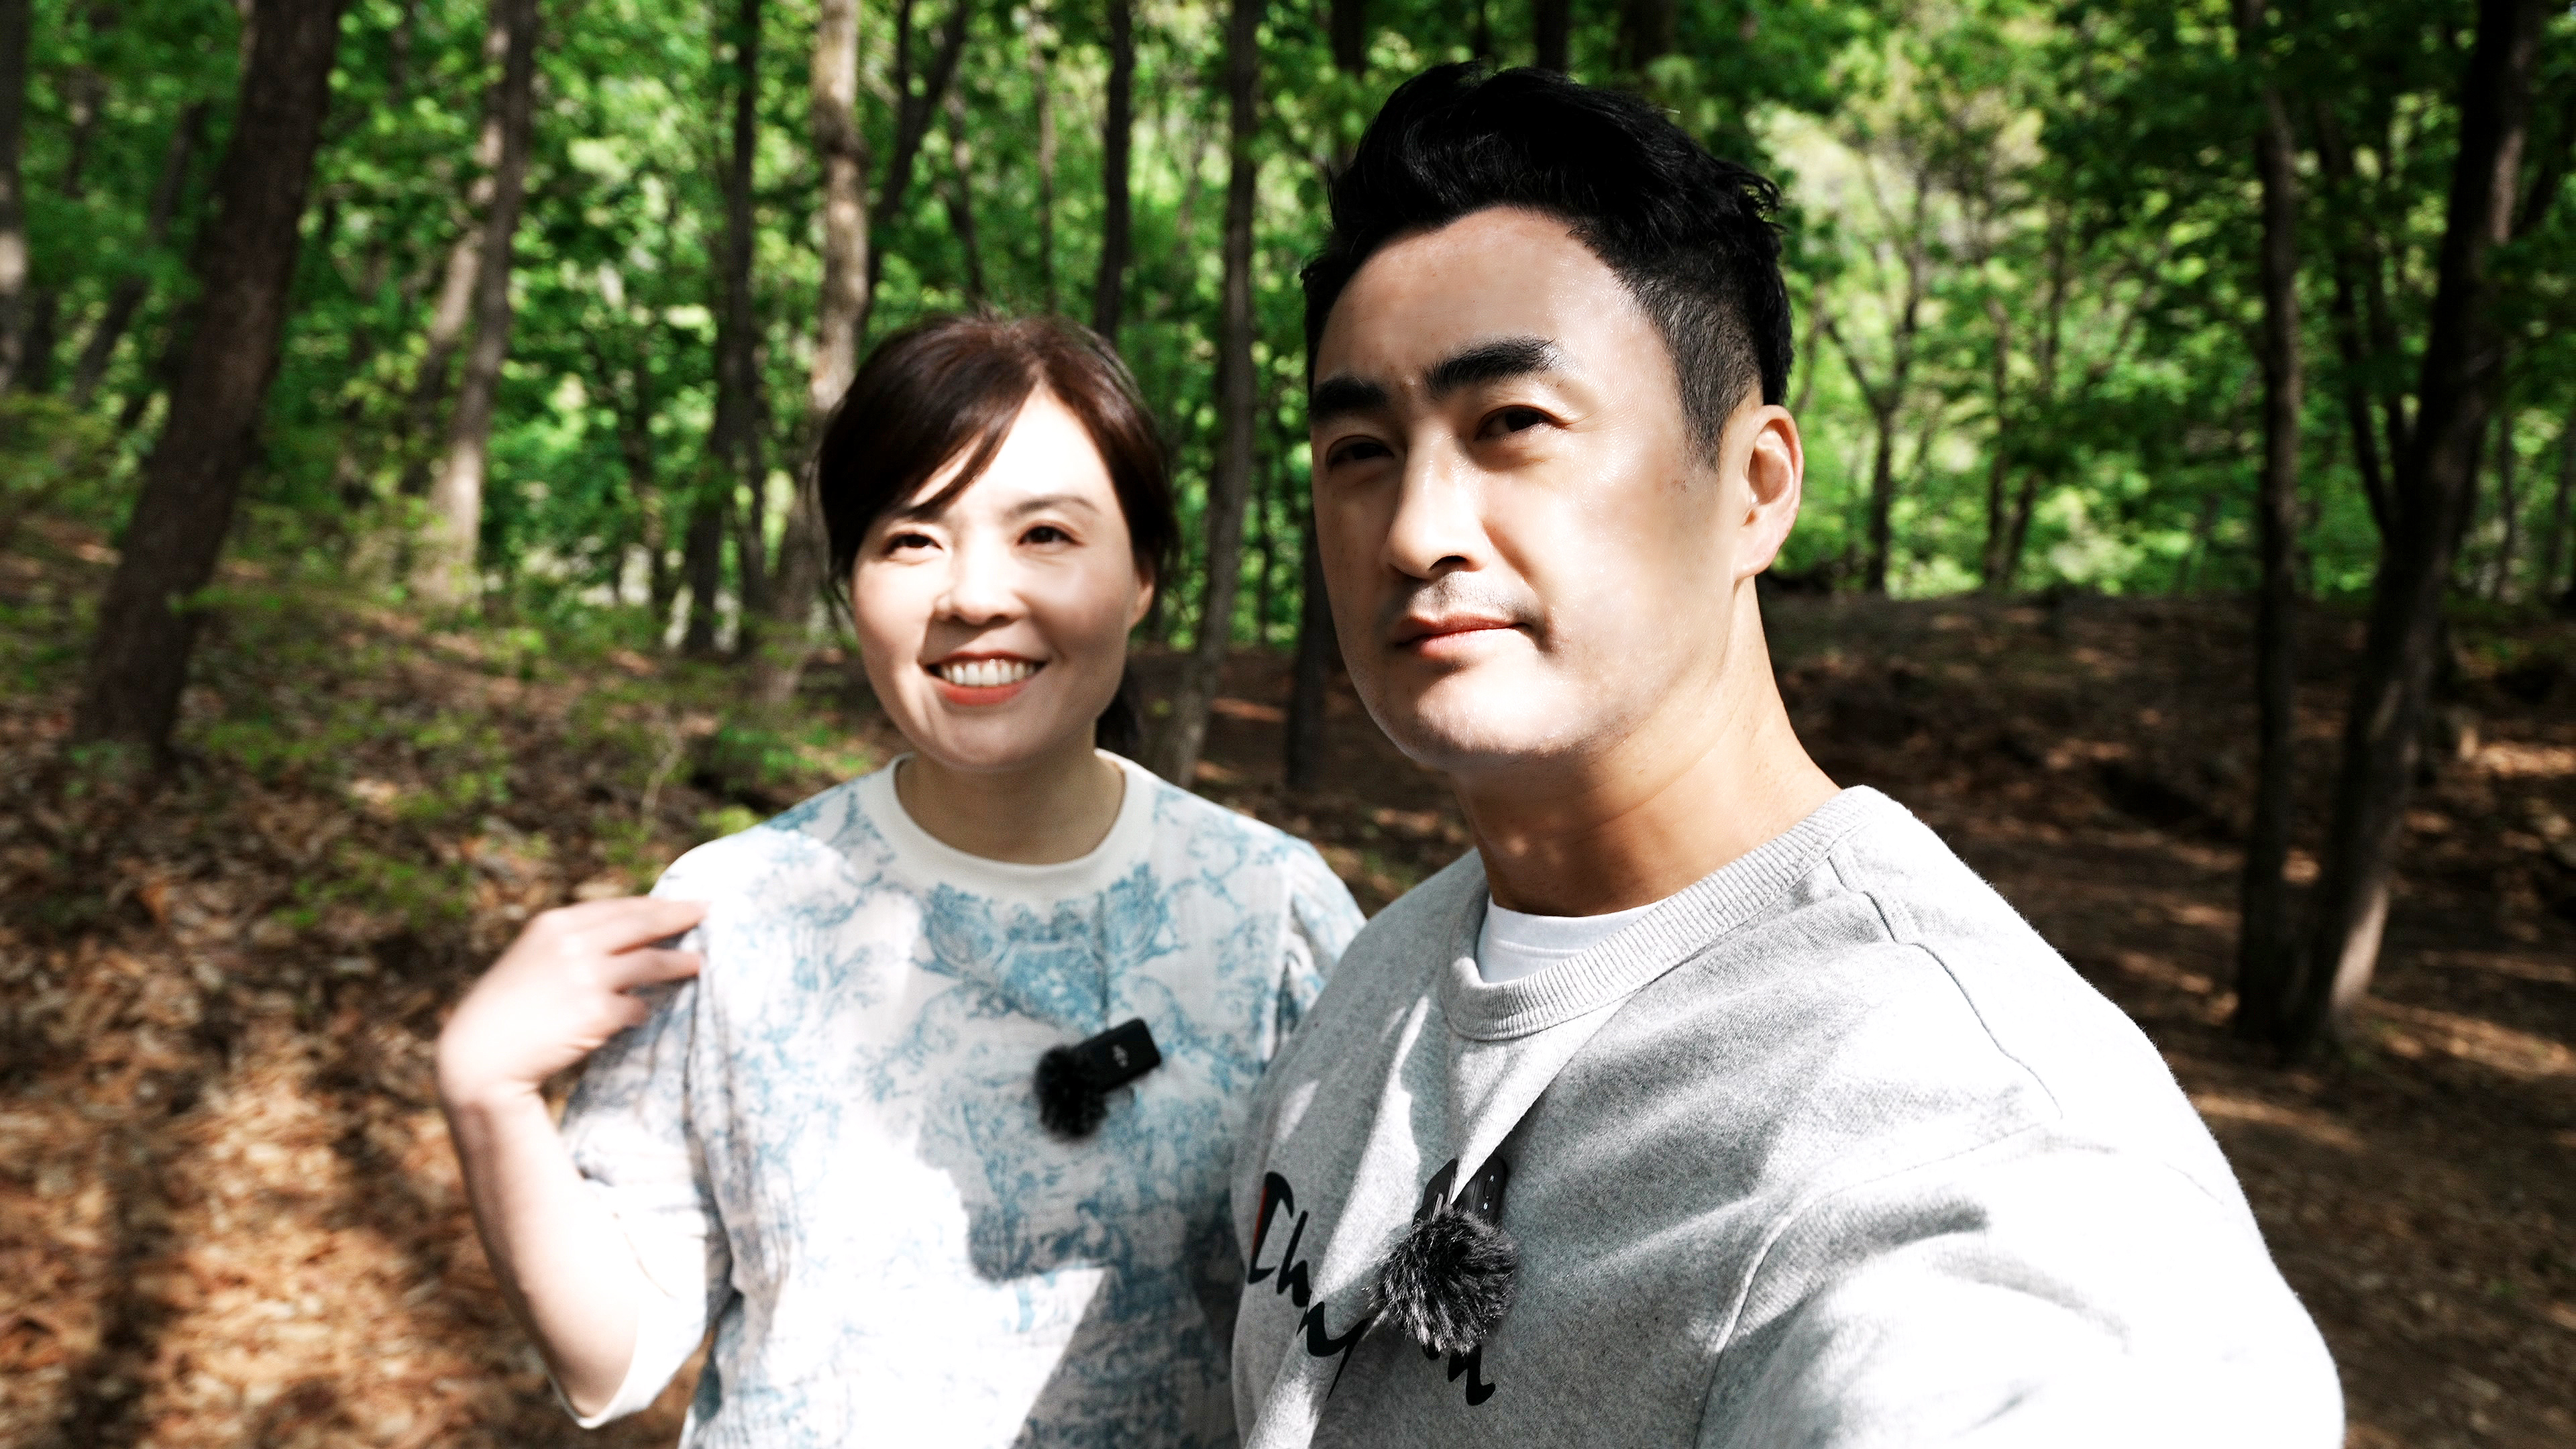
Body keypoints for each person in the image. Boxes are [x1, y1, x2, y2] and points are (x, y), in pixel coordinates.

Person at [1226, 64, 2342, 1448]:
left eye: (1512, 424)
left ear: (1755, 488)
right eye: (1359, 449)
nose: (1414, 529)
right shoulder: (1379, 980)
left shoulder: (1949, 1114)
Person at [434, 313, 1364, 1446]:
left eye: (1046, 535)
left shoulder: (1267, 915)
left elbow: (1359, 1334)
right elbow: (611, 1359)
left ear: (1142, 576)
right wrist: (487, 1093)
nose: (973, 595)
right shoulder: (737, 910)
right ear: (850, 585)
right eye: (912, 539)